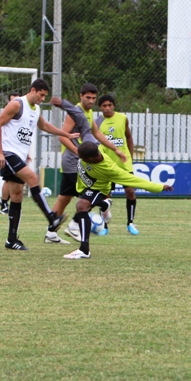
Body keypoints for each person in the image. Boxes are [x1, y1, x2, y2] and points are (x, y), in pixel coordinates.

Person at [0, 78, 80, 251]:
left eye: (45, 96)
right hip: (7, 153)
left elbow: (45, 125)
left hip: (18, 155)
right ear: (33, 90)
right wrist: (0, 152)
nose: (42, 99)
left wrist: (66, 134)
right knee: (32, 177)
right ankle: (51, 217)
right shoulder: (17, 104)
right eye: (41, 95)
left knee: (16, 195)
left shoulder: (36, 109)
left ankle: (11, 240)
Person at [61, 141, 173, 259]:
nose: (79, 158)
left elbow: (134, 180)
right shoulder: (96, 149)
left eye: (81, 157)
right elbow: (102, 140)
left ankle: (84, 250)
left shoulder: (110, 169)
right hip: (84, 187)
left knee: (81, 206)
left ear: (91, 158)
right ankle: (104, 205)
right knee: (84, 203)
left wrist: (159, 186)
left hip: (97, 189)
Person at [45, 84, 126, 244]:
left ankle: (51, 233)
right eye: (87, 97)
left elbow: (96, 134)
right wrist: (80, 153)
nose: (91, 101)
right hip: (74, 162)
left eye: (93, 98)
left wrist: (115, 149)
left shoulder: (88, 113)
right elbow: (63, 137)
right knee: (92, 193)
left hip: (78, 161)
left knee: (64, 199)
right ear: (80, 96)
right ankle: (76, 225)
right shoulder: (74, 113)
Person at [95, 94, 139, 235]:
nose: (107, 108)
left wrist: (130, 156)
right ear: (100, 107)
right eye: (104, 106)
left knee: (130, 191)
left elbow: (129, 137)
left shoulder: (122, 118)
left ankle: (130, 223)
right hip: (107, 163)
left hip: (123, 162)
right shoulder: (97, 123)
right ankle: (104, 226)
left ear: (114, 105)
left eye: (110, 105)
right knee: (106, 195)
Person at [0, 91, 21, 214]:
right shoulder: (6, 116)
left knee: (12, 180)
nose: (15, 103)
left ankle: (5, 202)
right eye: (12, 100)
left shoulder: (19, 116)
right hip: (6, 152)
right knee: (8, 179)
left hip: (17, 153)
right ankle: (4, 203)